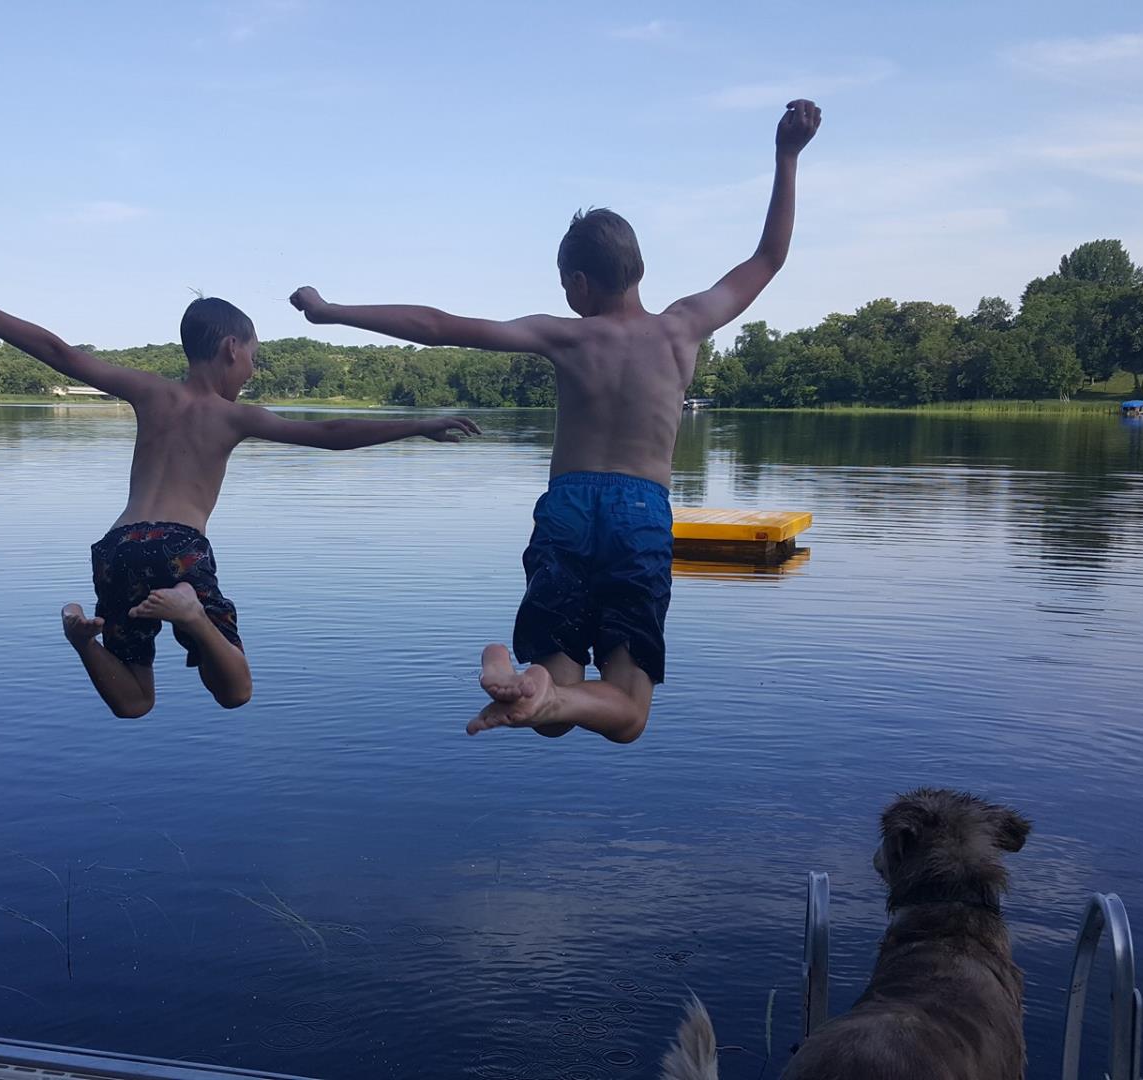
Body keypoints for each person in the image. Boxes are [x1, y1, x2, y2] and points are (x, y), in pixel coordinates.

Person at [288, 100, 821, 743]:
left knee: (553, 698)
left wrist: (333, 310)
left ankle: (533, 680)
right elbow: (769, 257)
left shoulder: (565, 336)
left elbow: (438, 326)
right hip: (641, 512)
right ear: (638, 269)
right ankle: (542, 690)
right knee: (628, 714)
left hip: (568, 506)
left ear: (577, 282)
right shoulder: (685, 327)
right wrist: (787, 155)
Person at [0, 288, 479, 718]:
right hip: (179, 549)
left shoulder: (147, 390)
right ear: (232, 348)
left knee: (135, 701)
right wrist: (417, 426)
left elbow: (57, 351)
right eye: (253, 357)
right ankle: (193, 618)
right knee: (235, 691)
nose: (253, 370)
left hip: (117, 548)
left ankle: (80, 639)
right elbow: (328, 433)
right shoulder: (233, 416)